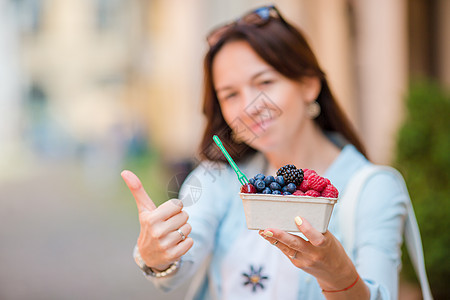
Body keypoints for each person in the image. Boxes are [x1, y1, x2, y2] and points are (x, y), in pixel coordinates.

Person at [122, 5, 409, 299]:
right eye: (231, 94)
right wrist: (156, 254)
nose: (250, 106)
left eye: (265, 82)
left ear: (309, 85)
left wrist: (339, 276)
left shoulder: (372, 189)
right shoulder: (217, 177)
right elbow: (179, 262)